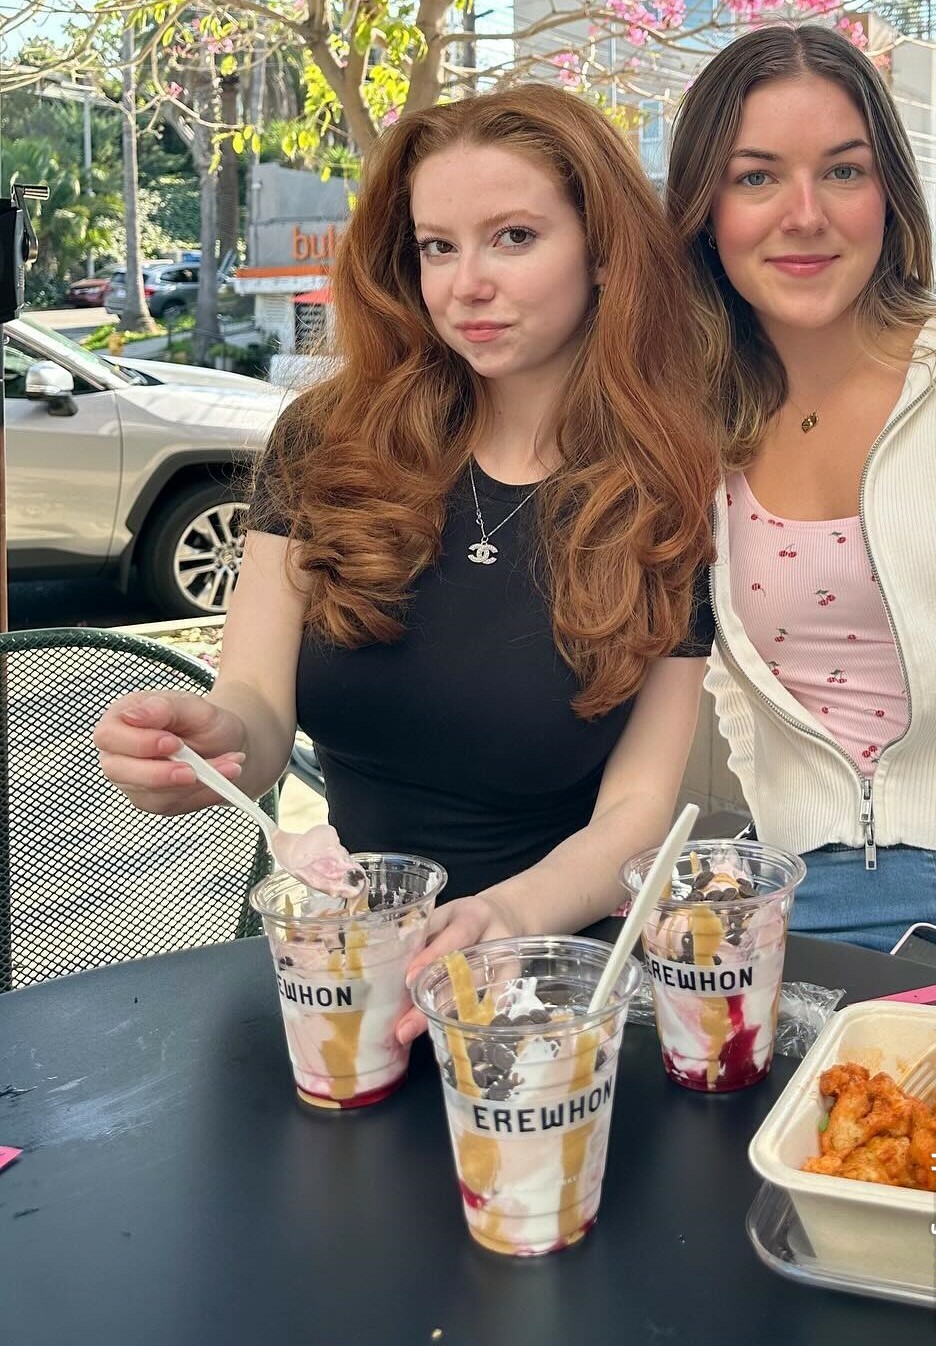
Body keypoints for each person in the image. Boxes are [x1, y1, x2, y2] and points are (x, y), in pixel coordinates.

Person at [94, 84, 719, 1032]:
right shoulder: (328, 442)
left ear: (602, 251)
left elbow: (636, 812)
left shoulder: (670, 485)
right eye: (437, 246)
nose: (466, 285)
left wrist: (506, 919)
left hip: (559, 993)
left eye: (513, 237)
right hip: (347, 971)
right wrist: (208, 743)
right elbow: (257, 709)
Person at [665, 24, 936, 952]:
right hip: (806, 893)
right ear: (705, 208)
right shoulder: (688, 422)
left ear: (889, 193)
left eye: (842, 170)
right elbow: (728, 679)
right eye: (756, 177)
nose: (804, 214)